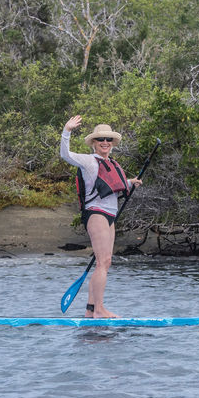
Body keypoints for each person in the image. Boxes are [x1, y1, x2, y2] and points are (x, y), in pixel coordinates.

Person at [60, 115, 142, 318]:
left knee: (105, 263)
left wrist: (131, 182)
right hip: (96, 213)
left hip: (110, 216)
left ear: (112, 143)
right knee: (102, 262)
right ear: (94, 143)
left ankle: (90, 310)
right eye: (100, 140)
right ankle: (99, 309)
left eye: (108, 140)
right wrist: (67, 131)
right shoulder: (88, 161)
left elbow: (115, 187)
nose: (105, 142)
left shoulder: (113, 164)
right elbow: (65, 155)